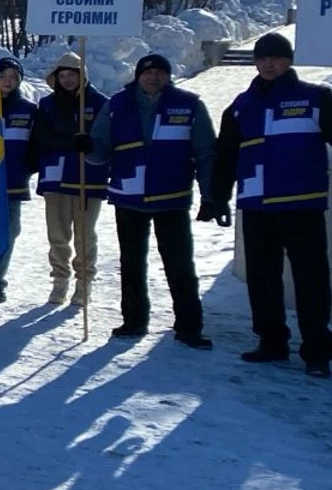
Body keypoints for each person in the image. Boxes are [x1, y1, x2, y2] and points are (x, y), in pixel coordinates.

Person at [210, 32, 332, 376]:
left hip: (302, 204)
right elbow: (225, 156)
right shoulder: (239, 106)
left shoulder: (317, 98)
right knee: (263, 279)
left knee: (311, 281)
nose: (268, 63)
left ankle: (317, 351)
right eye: (262, 58)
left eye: (275, 58)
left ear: (288, 61)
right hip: (257, 205)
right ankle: (272, 342)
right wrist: (217, 197)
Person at [89, 52, 219, 347]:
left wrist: (211, 195)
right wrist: (87, 147)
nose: (153, 77)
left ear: (168, 76)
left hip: (170, 197)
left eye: (160, 72)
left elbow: (206, 153)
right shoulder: (116, 105)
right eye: (147, 73)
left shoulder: (188, 105)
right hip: (128, 197)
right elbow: (100, 153)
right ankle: (134, 320)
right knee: (132, 263)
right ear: (138, 76)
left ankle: (189, 327)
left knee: (179, 265)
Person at [31, 50, 108, 306]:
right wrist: (69, 141)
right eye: (62, 75)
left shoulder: (98, 103)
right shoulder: (48, 104)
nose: (67, 80)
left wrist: (90, 144)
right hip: (56, 176)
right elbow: (42, 137)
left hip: (88, 177)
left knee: (85, 234)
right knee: (57, 233)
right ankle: (59, 279)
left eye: (71, 75)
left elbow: (106, 139)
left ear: (81, 75)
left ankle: (84, 281)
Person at [0, 58, 37, 303]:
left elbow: (37, 145)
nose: (8, 81)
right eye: (3, 76)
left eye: (14, 77)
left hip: (14, 183)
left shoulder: (29, 109)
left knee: (10, 233)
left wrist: (29, 165)